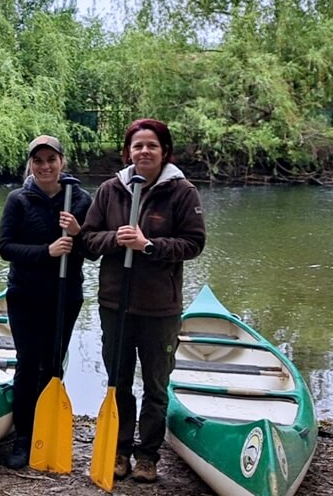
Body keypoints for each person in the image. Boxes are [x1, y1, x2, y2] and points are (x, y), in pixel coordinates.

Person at [80, 119, 206, 483]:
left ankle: (148, 455)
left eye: (151, 145)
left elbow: (194, 244)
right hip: (115, 304)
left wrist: (148, 245)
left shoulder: (182, 192)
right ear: (128, 152)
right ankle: (119, 449)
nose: (144, 152)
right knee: (117, 380)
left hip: (159, 308)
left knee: (155, 385)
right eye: (137, 146)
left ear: (164, 151)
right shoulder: (110, 190)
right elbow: (89, 240)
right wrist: (116, 241)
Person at [0, 135, 93, 467]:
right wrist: (46, 252)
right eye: (38, 161)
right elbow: (6, 247)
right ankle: (23, 435)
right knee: (27, 363)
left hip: (65, 297)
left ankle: (46, 426)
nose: (45, 166)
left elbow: (93, 253)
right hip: (25, 295)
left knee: (52, 365)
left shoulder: (80, 200)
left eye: (51, 159)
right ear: (31, 164)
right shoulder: (18, 199)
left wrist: (79, 233)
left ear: (62, 162)